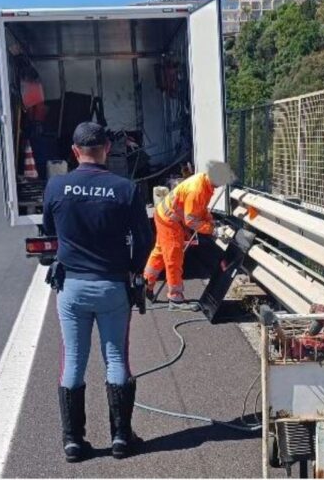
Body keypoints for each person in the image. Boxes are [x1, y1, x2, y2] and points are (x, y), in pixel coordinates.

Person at [42, 122, 153, 462]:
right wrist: (134, 270)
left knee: (73, 361)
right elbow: (146, 238)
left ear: (75, 151)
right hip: (111, 286)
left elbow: (49, 228)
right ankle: (121, 438)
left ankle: (73, 441)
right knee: (116, 359)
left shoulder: (57, 186)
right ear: (106, 148)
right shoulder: (125, 188)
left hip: (72, 287)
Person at [143, 161, 234, 310]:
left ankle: (147, 284)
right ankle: (175, 298)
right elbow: (191, 221)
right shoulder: (197, 189)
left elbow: (200, 208)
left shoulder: (204, 182)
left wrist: (211, 221)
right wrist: (213, 230)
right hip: (170, 220)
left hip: (165, 215)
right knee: (173, 256)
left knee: (160, 252)